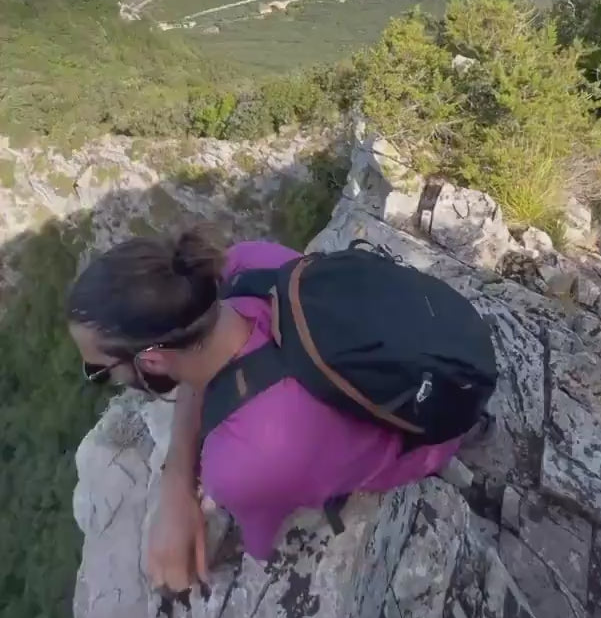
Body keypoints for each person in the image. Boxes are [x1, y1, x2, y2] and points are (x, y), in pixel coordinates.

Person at [67, 228, 463, 592]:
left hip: (424, 440)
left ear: (151, 361)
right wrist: (175, 481)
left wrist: (187, 498)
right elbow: (194, 372)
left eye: (99, 370)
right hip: (437, 344)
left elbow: (258, 546)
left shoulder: (238, 466)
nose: (103, 376)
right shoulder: (249, 266)